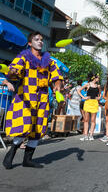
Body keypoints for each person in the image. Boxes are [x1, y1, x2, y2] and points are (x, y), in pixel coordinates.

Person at [3, 32, 63, 169]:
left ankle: (27, 160)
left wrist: (58, 85)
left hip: (42, 97)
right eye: (36, 39)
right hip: (26, 97)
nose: (40, 42)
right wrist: (11, 73)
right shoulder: (24, 56)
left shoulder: (49, 60)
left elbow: (57, 75)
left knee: (38, 128)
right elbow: (14, 70)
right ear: (30, 43)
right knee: (24, 126)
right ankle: (11, 154)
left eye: (42, 40)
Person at [78, 74, 101, 141]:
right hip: (88, 102)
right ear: (94, 78)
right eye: (98, 78)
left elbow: (99, 95)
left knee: (93, 120)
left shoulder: (98, 86)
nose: (98, 79)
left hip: (94, 103)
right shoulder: (87, 84)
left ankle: (91, 135)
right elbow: (79, 90)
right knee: (86, 120)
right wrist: (84, 97)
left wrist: (98, 98)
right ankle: (85, 135)